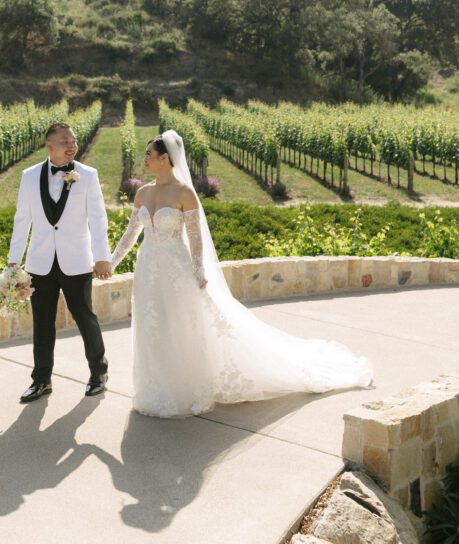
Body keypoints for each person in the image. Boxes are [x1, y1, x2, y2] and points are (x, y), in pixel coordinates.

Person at [110, 130, 374, 418]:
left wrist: (198, 271)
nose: (145, 158)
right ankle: (154, 389)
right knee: (151, 325)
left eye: (149, 154)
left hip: (175, 270)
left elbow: (195, 238)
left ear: (165, 159)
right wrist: (111, 262)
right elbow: (131, 234)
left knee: (178, 327)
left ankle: (180, 390)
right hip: (147, 268)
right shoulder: (143, 193)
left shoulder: (184, 193)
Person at [8, 122, 112, 402]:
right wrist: (13, 263)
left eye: (74, 141)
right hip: (40, 263)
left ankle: (99, 373)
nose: (72, 146)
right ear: (49, 144)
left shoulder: (87, 175)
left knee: (84, 317)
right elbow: (22, 220)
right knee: (42, 322)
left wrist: (102, 257)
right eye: (65, 141)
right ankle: (41, 380)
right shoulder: (29, 176)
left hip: (77, 261)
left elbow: (98, 219)